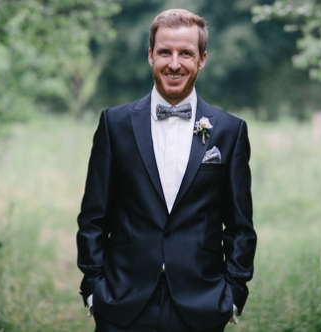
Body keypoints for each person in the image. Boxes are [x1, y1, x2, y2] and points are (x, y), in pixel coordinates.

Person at [76, 9, 256, 332]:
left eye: (185, 53)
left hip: (200, 307)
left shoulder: (230, 132)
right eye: (165, 52)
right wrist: (94, 289)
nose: (174, 64)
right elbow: (93, 217)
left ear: (201, 59)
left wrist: (232, 295)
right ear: (150, 56)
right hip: (122, 305)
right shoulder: (114, 126)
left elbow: (240, 227)